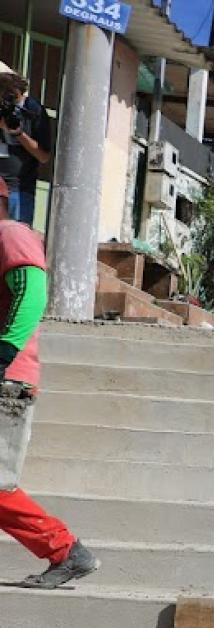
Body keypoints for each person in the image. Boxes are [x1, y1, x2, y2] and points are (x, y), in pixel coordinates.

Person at [0, 177, 99, 587]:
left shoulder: (9, 233)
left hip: (8, 381)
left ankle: (65, 550)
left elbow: (33, 292)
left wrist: (3, 352)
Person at [0, 74, 51, 226]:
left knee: (16, 238)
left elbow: (43, 156)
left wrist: (18, 134)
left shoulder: (33, 110)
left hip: (20, 190)